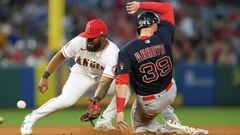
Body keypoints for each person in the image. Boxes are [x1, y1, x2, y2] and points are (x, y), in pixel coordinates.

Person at [115, 1, 208, 135]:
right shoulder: (164, 35)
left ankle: (169, 130)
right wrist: (139, 5)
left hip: (150, 103)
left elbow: (121, 83)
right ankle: (173, 121)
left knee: (140, 128)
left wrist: (119, 112)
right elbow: (167, 8)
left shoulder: (126, 51)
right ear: (153, 24)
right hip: (170, 92)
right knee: (164, 85)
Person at [20, 19, 120, 135]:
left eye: (93, 38)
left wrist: (96, 100)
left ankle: (104, 121)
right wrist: (45, 77)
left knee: (125, 88)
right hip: (82, 73)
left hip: (103, 78)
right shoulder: (79, 41)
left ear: (102, 37)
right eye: (88, 37)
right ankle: (30, 119)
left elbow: (105, 82)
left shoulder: (112, 53)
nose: (89, 41)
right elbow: (60, 56)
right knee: (66, 100)